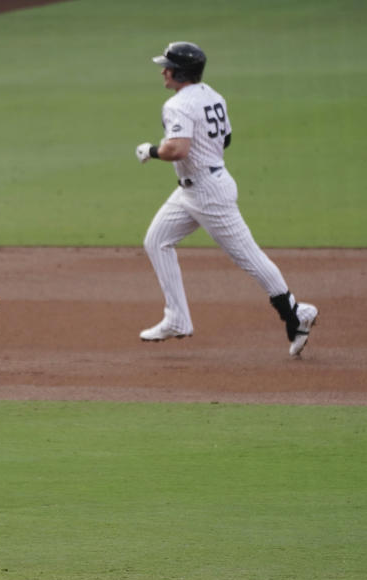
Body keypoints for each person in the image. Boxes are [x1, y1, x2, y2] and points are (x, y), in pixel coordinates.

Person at [134, 42, 318, 357]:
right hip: (195, 188)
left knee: (248, 257)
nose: (162, 71)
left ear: (180, 72)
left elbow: (177, 149)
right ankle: (177, 318)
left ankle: (295, 313)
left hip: (209, 193)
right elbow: (226, 139)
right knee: (156, 240)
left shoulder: (177, 105)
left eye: (167, 66)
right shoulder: (213, 95)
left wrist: (150, 150)